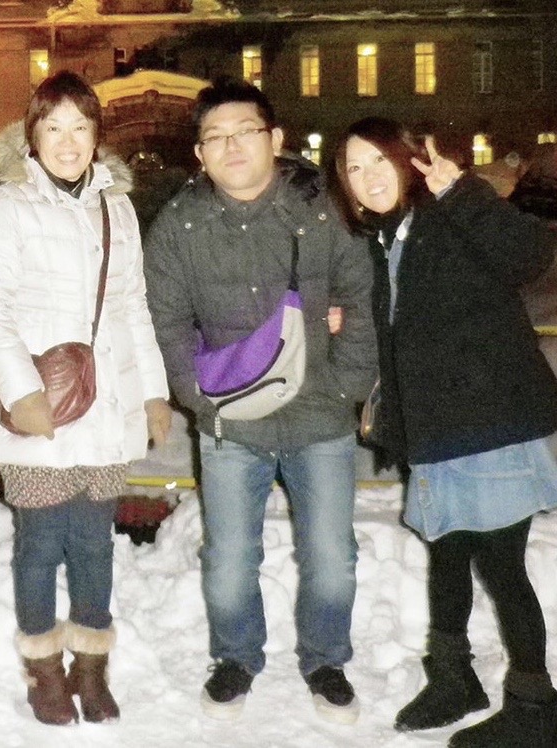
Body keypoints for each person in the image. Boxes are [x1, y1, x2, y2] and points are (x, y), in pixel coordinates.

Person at [330, 117, 557, 747]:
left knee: (503, 568)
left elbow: (532, 256)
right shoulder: (385, 239)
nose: (367, 177)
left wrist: (463, 191)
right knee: (447, 553)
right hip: (438, 432)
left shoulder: (447, 217)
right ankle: (453, 678)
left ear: (407, 162)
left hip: (489, 425)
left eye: (378, 160)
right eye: (353, 168)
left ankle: (535, 711)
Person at [142, 78, 378, 724]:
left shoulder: (324, 211)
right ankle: (235, 658)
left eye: (245, 131)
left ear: (274, 138)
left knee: (331, 558)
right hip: (230, 423)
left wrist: (346, 387)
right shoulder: (179, 226)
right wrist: (197, 396)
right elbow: (167, 320)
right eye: (215, 137)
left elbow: (359, 300)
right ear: (199, 154)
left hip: (319, 416)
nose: (232, 147)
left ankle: (326, 661)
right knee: (227, 560)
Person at [0, 70, 172, 726]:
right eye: (52, 127)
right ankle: (44, 670)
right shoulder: (7, 204)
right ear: (32, 135)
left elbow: (133, 307)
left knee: (93, 543)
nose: (67, 141)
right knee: (40, 543)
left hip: (106, 408)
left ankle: (90, 666)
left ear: (96, 135)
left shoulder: (116, 207)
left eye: (80, 127)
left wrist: (153, 393)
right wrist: (20, 390)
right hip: (41, 410)